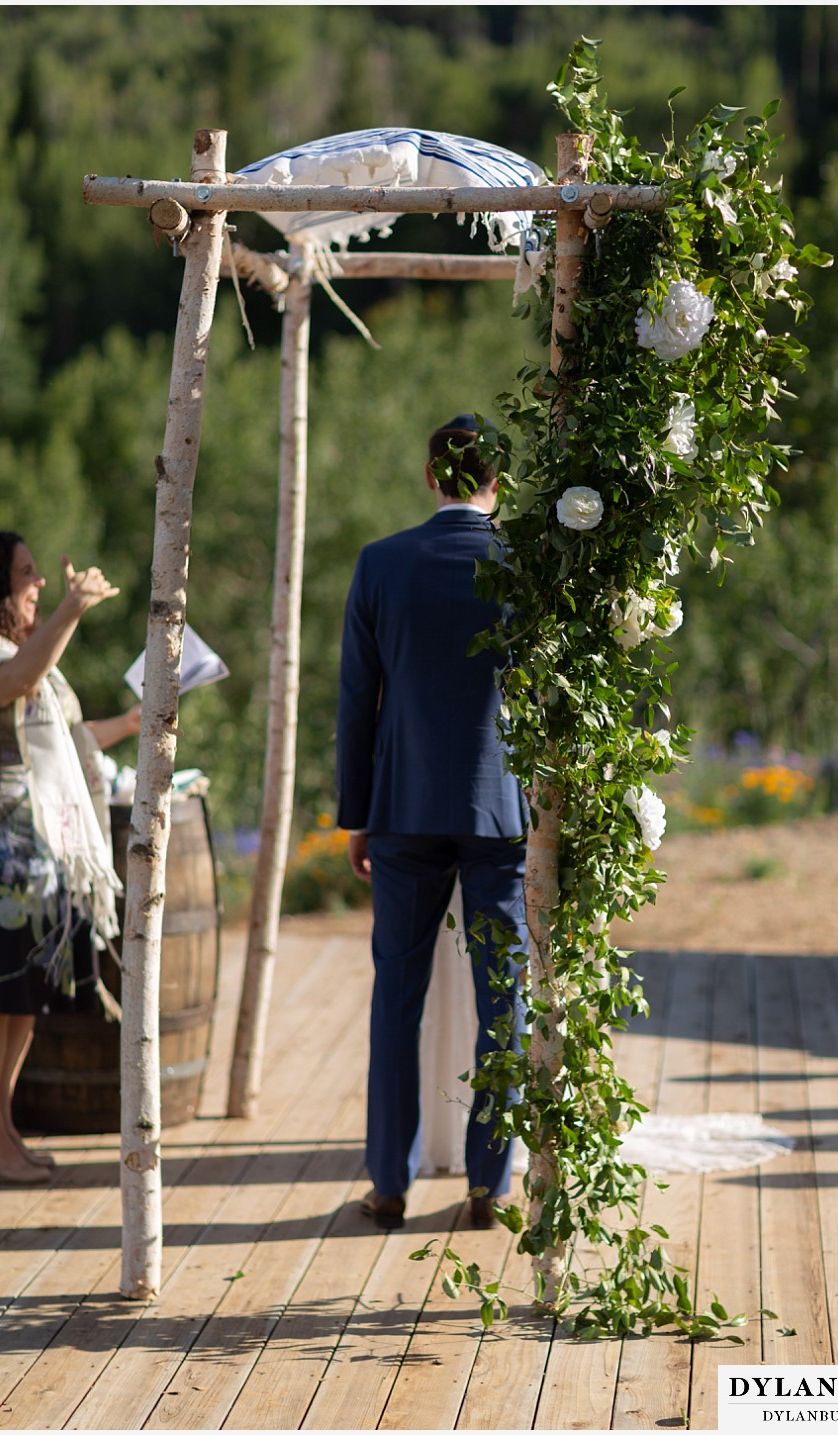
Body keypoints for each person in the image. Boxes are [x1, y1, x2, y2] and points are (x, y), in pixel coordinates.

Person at [336, 413, 528, 1230]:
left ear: (430, 477)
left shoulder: (382, 563)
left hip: (403, 810)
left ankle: (389, 1182)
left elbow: (357, 702)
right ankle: (490, 1182)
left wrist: (356, 816)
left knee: (397, 998)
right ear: (499, 481)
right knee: (504, 998)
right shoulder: (525, 566)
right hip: (499, 809)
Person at [0, 531, 139, 1186]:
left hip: (35, 866)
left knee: (21, 1008)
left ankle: (4, 1131)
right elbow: (16, 682)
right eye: (26, 573)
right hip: (2, 867)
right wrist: (71, 611)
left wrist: (132, 724)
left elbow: (70, 740)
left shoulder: (29, 653)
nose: (38, 583)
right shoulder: (0, 655)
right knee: (1, 1009)